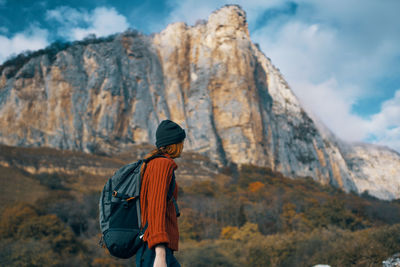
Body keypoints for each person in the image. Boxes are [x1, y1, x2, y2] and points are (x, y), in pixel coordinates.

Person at [136, 119, 186, 267]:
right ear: (174, 144)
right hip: (155, 250)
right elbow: (156, 209)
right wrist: (160, 254)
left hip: (153, 248)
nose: (183, 146)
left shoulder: (153, 163)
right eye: (181, 142)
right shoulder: (161, 165)